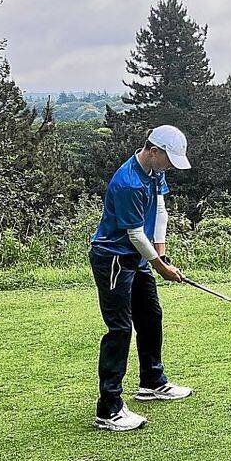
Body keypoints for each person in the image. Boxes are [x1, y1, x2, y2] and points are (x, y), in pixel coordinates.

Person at [89, 125, 194, 431]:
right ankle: (108, 409)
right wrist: (160, 265)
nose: (171, 166)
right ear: (153, 151)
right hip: (113, 259)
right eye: (168, 159)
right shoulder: (128, 183)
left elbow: (160, 210)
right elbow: (135, 233)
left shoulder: (154, 172)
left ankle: (152, 381)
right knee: (120, 329)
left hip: (136, 257)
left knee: (150, 315)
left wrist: (161, 251)